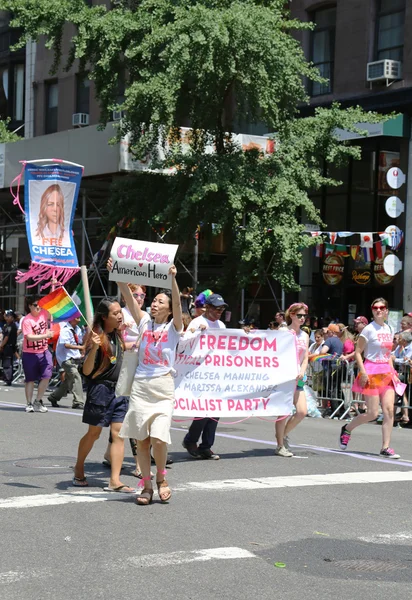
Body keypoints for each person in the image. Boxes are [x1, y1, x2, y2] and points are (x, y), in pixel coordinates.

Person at [115, 265, 183, 505]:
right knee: (142, 440)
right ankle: (146, 484)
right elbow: (127, 296)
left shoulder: (175, 327)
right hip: (141, 387)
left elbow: (177, 303)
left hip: (163, 388)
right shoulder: (144, 321)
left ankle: (162, 478)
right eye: (153, 300)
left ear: (168, 308)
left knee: (159, 438)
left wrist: (173, 279)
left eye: (160, 302)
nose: (154, 304)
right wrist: (119, 274)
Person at [72, 298, 133, 492]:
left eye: (119, 312)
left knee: (118, 434)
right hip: (100, 391)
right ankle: (79, 467)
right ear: (105, 317)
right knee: (94, 433)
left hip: (120, 390)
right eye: (115, 313)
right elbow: (88, 371)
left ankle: (115, 480)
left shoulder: (118, 334)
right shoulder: (95, 337)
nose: (120, 315)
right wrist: (95, 348)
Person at [339, 297, 400, 459]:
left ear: (386, 310)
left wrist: (393, 371)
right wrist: (363, 371)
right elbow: (358, 352)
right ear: (372, 310)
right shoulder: (369, 330)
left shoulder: (389, 329)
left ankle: (385, 447)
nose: (378, 310)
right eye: (375, 308)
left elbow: (388, 354)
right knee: (372, 413)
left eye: (381, 308)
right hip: (371, 370)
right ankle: (347, 428)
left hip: (386, 372)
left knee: (389, 410)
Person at [102, 283, 151, 478]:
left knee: (130, 413)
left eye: (142, 295)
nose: (139, 298)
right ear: (126, 296)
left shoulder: (146, 316)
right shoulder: (119, 313)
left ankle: (111, 453)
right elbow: (110, 341)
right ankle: (139, 463)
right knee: (125, 413)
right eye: (135, 294)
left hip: (140, 368)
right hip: (121, 368)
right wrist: (127, 339)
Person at [181, 293, 228, 460]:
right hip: (200, 372)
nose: (219, 311)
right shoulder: (198, 322)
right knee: (202, 410)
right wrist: (196, 333)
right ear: (207, 307)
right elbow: (185, 342)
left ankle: (206, 445)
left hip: (216, 372)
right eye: (216, 308)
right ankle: (191, 440)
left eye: (222, 308)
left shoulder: (221, 325)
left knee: (215, 412)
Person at [275, 302, 309, 457]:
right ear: (292, 315)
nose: (302, 318)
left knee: (302, 411)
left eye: (304, 315)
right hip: (285, 376)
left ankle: (283, 435)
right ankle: (280, 445)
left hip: (299, 377)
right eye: (299, 315)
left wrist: (302, 370)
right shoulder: (284, 331)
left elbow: (306, 357)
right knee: (284, 411)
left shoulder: (305, 335)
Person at [22, 295, 54, 413]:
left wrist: (54, 285)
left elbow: (52, 304)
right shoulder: (27, 320)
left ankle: (38, 400)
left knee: (47, 375)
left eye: (40, 305)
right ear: (30, 306)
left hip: (44, 351)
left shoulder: (44, 313)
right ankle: (29, 403)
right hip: (30, 353)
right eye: (35, 305)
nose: (38, 307)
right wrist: (46, 335)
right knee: (30, 379)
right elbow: (29, 337)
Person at [48, 316, 85, 408]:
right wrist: (80, 348)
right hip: (65, 359)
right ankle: (78, 402)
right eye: (77, 318)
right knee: (76, 375)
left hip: (74, 357)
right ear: (71, 319)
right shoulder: (65, 330)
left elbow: (79, 342)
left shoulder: (78, 329)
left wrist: (81, 351)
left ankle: (54, 397)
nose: (79, 320)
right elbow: (66, 345)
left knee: (68, 381)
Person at [0, 310, 18, 386]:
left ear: (11, 317)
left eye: (6, 315)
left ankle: (8, 379)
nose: (5, 317)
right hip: (8, 346)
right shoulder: (7, 325)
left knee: (7, 363)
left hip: (8, 346)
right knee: (6, 362)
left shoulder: (11, 326)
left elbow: (6, 337)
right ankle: (5, 377)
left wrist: (1, 345)